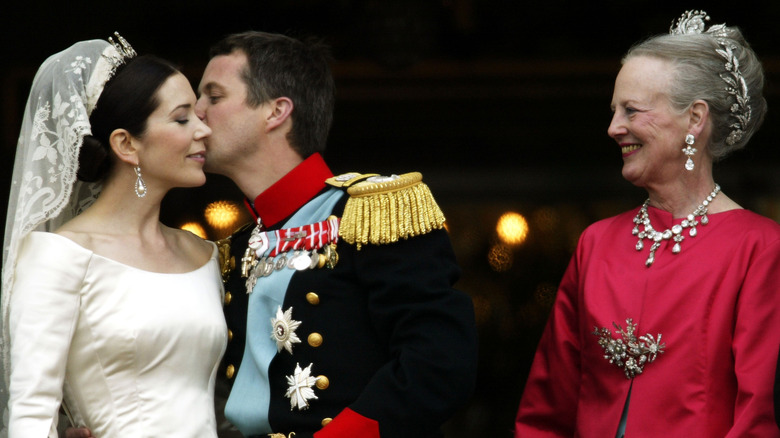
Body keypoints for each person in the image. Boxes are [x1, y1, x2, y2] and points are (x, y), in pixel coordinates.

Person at [195, 31, 478, 438]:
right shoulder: (235, 246)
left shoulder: (373, 211)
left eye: (213, 96)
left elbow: (438, 362)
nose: (196, 111)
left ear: (276, 111)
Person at [514, 10, 780, 437]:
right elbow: (547, 408)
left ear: (695, 119)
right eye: (614, 110)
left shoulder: (759, 247)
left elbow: (757, 417)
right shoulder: (596, 243)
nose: (613, 127)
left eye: (631, 110)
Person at [0, 35, 227, 437]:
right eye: (181, 118)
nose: (203, 130)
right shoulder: (59, 255)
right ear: (126, 144)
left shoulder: (204, 253)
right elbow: (31, 416)